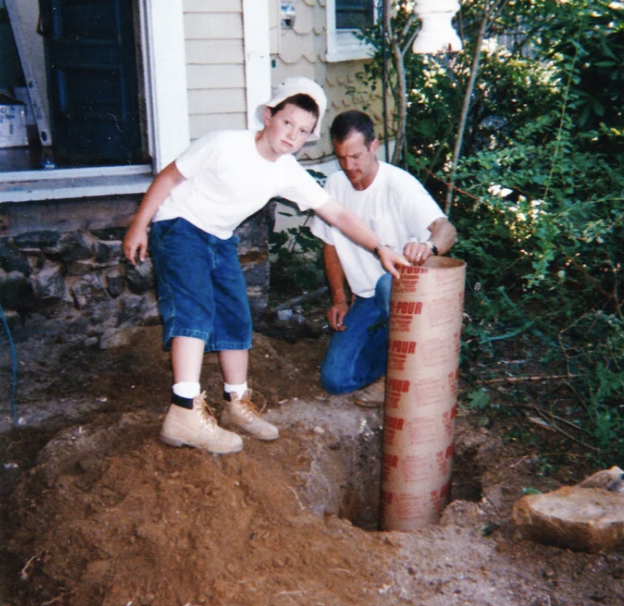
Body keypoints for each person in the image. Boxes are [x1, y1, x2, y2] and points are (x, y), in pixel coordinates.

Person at [123, 79, 408, 455]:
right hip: (178, 225)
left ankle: (236, 404)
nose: (293, 136)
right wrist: (139, 224)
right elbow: (171, 177)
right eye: (288, 123)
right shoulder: (224, 143)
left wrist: (380, 246)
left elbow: (336, 212)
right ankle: (184, 411)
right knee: (195, 310)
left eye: (304, 131)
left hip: (220, 237)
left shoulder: (287, 171)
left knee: (236, 316)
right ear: (268, 116)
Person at [311, 110, 457, 404]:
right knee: (336, 380)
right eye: (341, 158)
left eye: (355, 156)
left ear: (373, 146)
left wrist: (429, 247)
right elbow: (330, 245)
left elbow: (447, 229)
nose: (349, 166)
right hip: (366, 300)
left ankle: (401, 376)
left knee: (386, 284)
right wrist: (339, 298)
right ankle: (401, 364)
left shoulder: (398, 185)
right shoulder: (335, 186)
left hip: (403, 294)